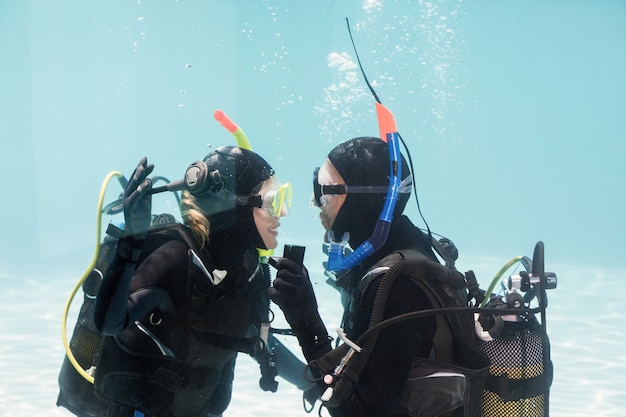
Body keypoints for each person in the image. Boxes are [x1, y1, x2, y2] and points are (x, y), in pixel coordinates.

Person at [268, 136, 461, 417]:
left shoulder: (395, 286)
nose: (316, 202)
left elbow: (356, 412)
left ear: (362, 200)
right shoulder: (416, 247)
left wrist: (305, 319)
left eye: (325, 192)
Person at [93, 145, 291, 417]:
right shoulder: (177, 260)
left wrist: (311, 381)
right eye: (273, 201)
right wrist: (131, 242)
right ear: (234, 206)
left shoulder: (248, 268)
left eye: (283, 199)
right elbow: (109, 322)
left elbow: (259, 340)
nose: (283, 213)